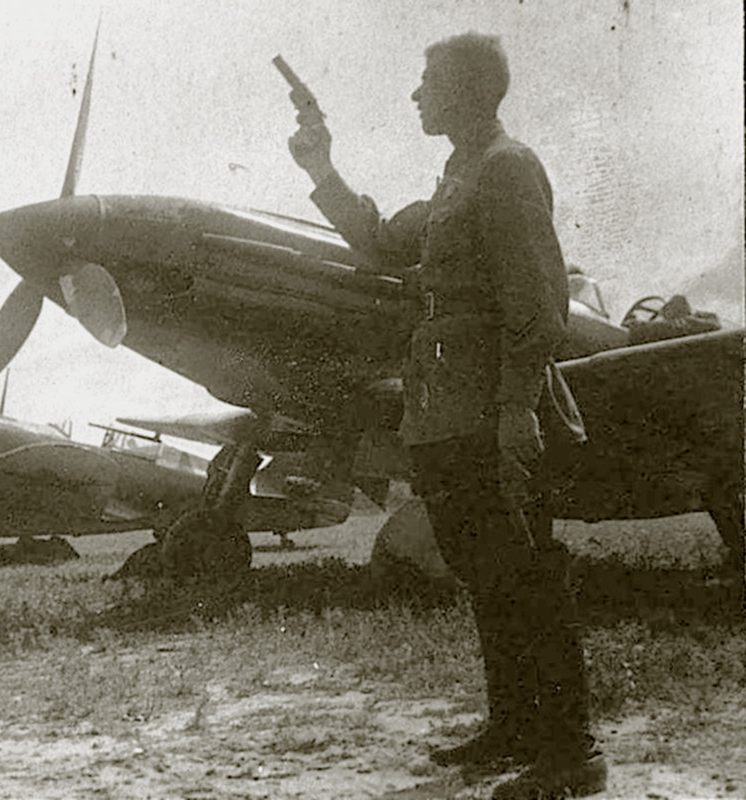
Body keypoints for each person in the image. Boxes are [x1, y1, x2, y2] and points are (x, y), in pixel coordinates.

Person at [287, 33, 606, 799]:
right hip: (447, 413)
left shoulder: (507, 167)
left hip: (491, 409)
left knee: (524, 575)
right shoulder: (458, 178)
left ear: (466, 90)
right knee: (485, 572)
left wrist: (516, 408)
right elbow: (378, 242)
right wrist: (321, 168)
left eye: (427, 81)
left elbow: (539, 305)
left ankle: (572, 753)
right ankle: (515, 727)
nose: (415, 94)